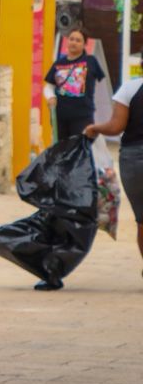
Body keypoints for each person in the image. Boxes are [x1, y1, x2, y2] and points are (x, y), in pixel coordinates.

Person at [84, 78, 143, 277]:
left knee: (142, 219)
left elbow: (116, 127)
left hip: (134, 160)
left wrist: (95, 128)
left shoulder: (130, 88)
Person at [45, 29, 105, 139]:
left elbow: (101, 84)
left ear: (84, 44)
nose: (74, 42)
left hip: (83, 116)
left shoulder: (91, 61)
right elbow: (49, 87)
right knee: (62, 147)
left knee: (80, 146)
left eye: (78, 40)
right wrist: (50, 97)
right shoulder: (58, 63)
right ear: (67, 41)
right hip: (60, 116)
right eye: (71, 39)